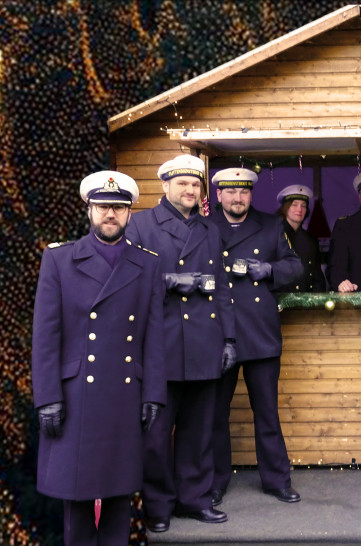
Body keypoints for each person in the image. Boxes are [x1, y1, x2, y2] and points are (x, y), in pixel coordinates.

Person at [32, 171, 166, 545]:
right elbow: (45, 336)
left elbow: (153, 335)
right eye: (104, 206)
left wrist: (154, 392)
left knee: (119, 497)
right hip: (75, 397)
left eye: (120, 208)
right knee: (76, 499)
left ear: (129, 213)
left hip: (125, 395)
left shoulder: (148, 264)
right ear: (89, 209)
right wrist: (47, 398)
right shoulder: (59, 259)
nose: (111, 214)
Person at [125, 154, 237, 532]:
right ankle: (157, 505)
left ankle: (195, 500)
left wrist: (230, 338)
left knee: (199, 431)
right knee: (156, 435)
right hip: (161, 345)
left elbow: (222, 288)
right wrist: (169, 281)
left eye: (195, 185)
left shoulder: (209, 229)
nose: (190, 190)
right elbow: (125, 282)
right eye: (183, 183)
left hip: (205, 343)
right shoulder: (140, 224)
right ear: (165, 186)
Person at [209, 168, 304, 505]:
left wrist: (271, 270)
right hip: (219, 333)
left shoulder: (270, 224)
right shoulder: (205, 226)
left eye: (244, 192)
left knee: (267, 412)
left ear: (251, 195)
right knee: (215, 414)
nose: (238, 198)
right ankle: (215, 481)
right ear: (218, 195)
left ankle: (277, 480)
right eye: (231, 192)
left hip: (260, 332)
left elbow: (296, 266)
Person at [274, 184, 326, 292]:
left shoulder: (310, 240)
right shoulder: (273, 235)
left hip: (307, 303)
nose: (299, 209)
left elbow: (317, 277)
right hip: (280, 302)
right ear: (285, 208)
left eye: (303, 205)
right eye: (294, 204)